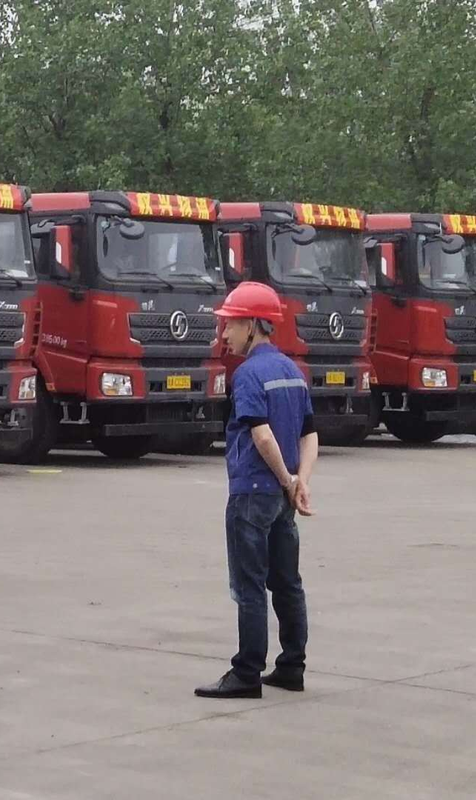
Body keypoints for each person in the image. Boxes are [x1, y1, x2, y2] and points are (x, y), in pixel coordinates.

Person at [196, 281, 316, 699]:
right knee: (287, 582)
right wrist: (300, 481)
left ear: (252, 325)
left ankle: (246, 672)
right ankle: (292, 667)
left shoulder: (247, 374)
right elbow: (309, 434)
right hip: (282, 498)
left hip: (252, 492)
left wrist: (285, 479)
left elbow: (261, 436)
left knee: (249, 586)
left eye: (230, 324)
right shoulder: (293, 372)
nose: (224, 333)